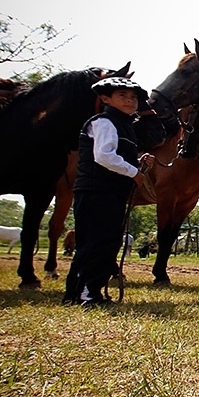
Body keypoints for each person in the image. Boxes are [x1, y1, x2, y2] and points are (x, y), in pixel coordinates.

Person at [62, 77, 154, 306]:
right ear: (105, 98)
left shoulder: (123, 125)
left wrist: (138, 162)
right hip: (97, 190)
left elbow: (114, 155)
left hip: (109, 192)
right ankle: (87, 293)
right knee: (98, 242)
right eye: (122, 96)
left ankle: (78, 293)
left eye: (133, 97)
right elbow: (104, 156)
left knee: (102, 241)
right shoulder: (104, 122)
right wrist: (134, 172)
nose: (130, 101)